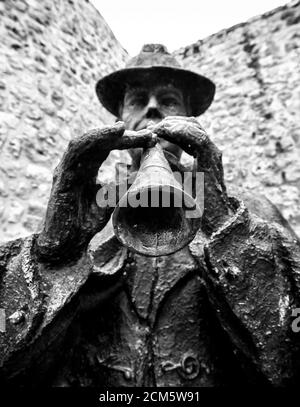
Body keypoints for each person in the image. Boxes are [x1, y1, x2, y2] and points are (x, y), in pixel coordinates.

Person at [0, 44, 300, 386]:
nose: (153, 109)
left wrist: (229, 233)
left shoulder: (246, 214)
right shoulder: (86, 216)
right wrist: (52, 257)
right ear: (120, 122)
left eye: (168, 100)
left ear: (190, 121)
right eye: (137, 100)